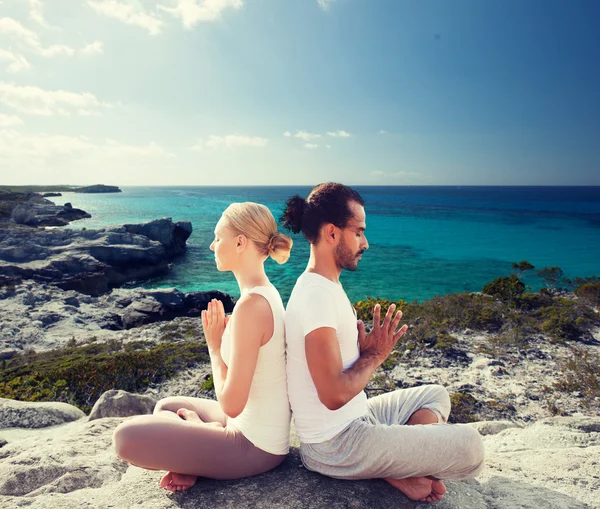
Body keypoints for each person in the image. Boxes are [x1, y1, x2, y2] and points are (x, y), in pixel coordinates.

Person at [282, 183, 484, 503]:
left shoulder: (325, 286)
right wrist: (374, 356)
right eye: (359, 232)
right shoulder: (315, 296)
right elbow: (332, 395)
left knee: (436, 395)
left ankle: (399, 466)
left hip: (359, 418)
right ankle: (398, 465)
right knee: (472, 446)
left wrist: (359, 354)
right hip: (336, 444)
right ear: (332, 233)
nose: (366, 243)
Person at [113, 202, 292, 492]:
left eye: (218, 238)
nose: (211, 246)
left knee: (124, 438)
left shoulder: (252, 306)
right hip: (244, 428)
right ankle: (196, 452)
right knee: (168, 405)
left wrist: (214, 345)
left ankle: (198, 448)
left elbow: (231, 403)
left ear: (239, 242)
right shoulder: (264, 294)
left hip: (253, 446)